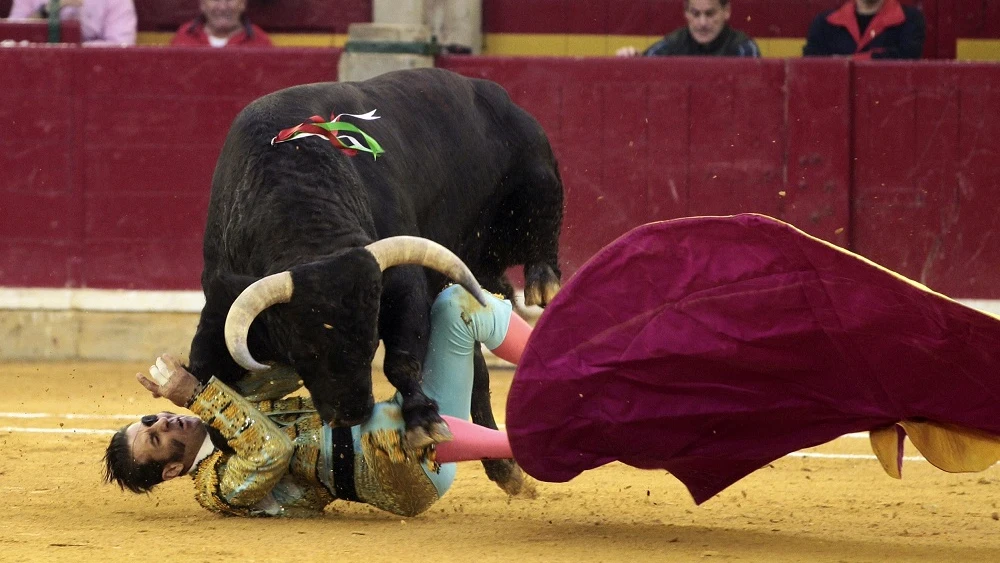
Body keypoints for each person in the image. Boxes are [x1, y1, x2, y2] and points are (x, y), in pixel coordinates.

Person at [103, 285, 527, 517]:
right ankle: (531, 441)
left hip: (412, 417)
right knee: (387, 431)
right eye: (154, 439)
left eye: (150, 420)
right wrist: (197, 395)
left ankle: (561, 359)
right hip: (403, 477)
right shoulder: (216, 489)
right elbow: (272, 450)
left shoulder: (222, 405)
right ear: (173, 470)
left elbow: (293, 371)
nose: (161, 423)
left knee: (457, 305)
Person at [615, 0, 759, 58]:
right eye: (695, 14)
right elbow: (641, 69)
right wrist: (630, 60)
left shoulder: (744, 49)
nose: (702, 23)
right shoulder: (671, 45)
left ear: (726, 11)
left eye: (710, 14)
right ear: (686, 13)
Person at [802, 0, 925, 59]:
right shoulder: (825, 22)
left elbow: (908, 56)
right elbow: (811, 64)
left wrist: (850, 60)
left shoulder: (909, 19)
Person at [8, 0, 136, 45]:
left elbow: (122, 45)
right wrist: (46, 11)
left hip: (93, 72)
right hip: (35, 65)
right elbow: (11, 37)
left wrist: (74, 49)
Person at [170, 0, 272, 48]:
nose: (222, 7)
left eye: (229, 0)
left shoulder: (260, 40)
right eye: (216, 0)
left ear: (243, 3)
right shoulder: (184, 36)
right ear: (202, 4)